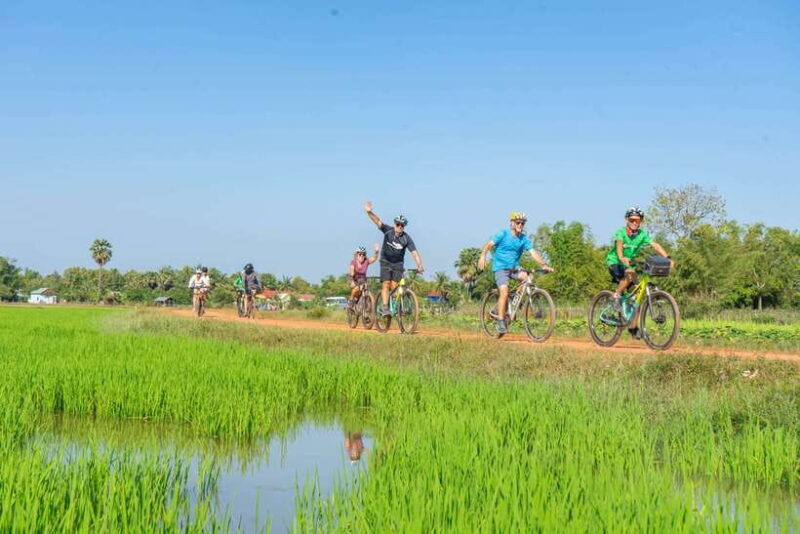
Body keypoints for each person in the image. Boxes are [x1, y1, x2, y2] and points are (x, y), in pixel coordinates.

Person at [477, 211, 553, 335]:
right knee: (504, 291)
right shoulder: (503, 234)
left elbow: (533, 252)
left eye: (523, 223)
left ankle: (513, 302)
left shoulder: (524, 239)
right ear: (512, 223)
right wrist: (482, 256)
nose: (520, 225)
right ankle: (500, 321)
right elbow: (488, 244)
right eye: (518, 222)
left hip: (514, 268)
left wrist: (544, 265)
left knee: (529, 277)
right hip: (500, 268)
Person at [605, 207, 673, 318]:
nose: (635, 223)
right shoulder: (621, 232)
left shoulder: (642, 235)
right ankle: (615, 296)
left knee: (637, 295)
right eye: (632, 220)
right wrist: (622, 257)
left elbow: (654, 245)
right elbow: (619, 244)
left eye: (638, 220)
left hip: (628, 264)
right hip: (615, 262)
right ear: (627, 220)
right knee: (631, 273)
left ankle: (633, 327)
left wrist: (667, 258)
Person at [364, 201, 424, 316]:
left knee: (395, 288)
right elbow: (377, 221)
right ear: (395, 224)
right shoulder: (388, 231)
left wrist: (419, 265)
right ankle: (385, 307)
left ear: (404, 227)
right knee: (386, 283)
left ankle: (396, 307)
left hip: (398, 264)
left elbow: (414, 252)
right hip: (385, 261)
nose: (400, 227)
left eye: (402, 225)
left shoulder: (407, 238)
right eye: (398, 224)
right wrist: (369, 212)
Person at [347, 244, 379, 309]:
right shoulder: (353, 262)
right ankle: (351, 301)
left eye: (363, 254)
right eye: (360, 254)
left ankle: (368, 311)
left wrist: (376, 252)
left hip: (362, 279)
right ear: (356, 255)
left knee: (366, 290)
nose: (362, 256)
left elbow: (374, 259)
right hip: (353, 278)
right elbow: (351, 271)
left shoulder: (366, 261)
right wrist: (353, 277)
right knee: (356, 289)